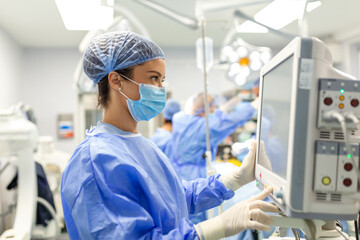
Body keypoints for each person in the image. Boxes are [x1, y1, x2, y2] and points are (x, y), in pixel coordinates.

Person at [60, 31, 278, 239]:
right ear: (116, 80)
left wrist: (233, 180)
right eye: (154, 78)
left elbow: (171, 197)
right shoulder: (95, 162)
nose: (160, 88)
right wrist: (212, 229)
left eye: (162, 80)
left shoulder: (139, 144)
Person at [171, 92, 259, 182]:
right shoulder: (207, 126)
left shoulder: (180, 119)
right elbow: (232, 121)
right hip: (193, 176)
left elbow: (212, 119)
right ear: (206, 109)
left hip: (177, 173)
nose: (214, 111)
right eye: (213, 108)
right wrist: (252, 107)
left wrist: (222, 111)